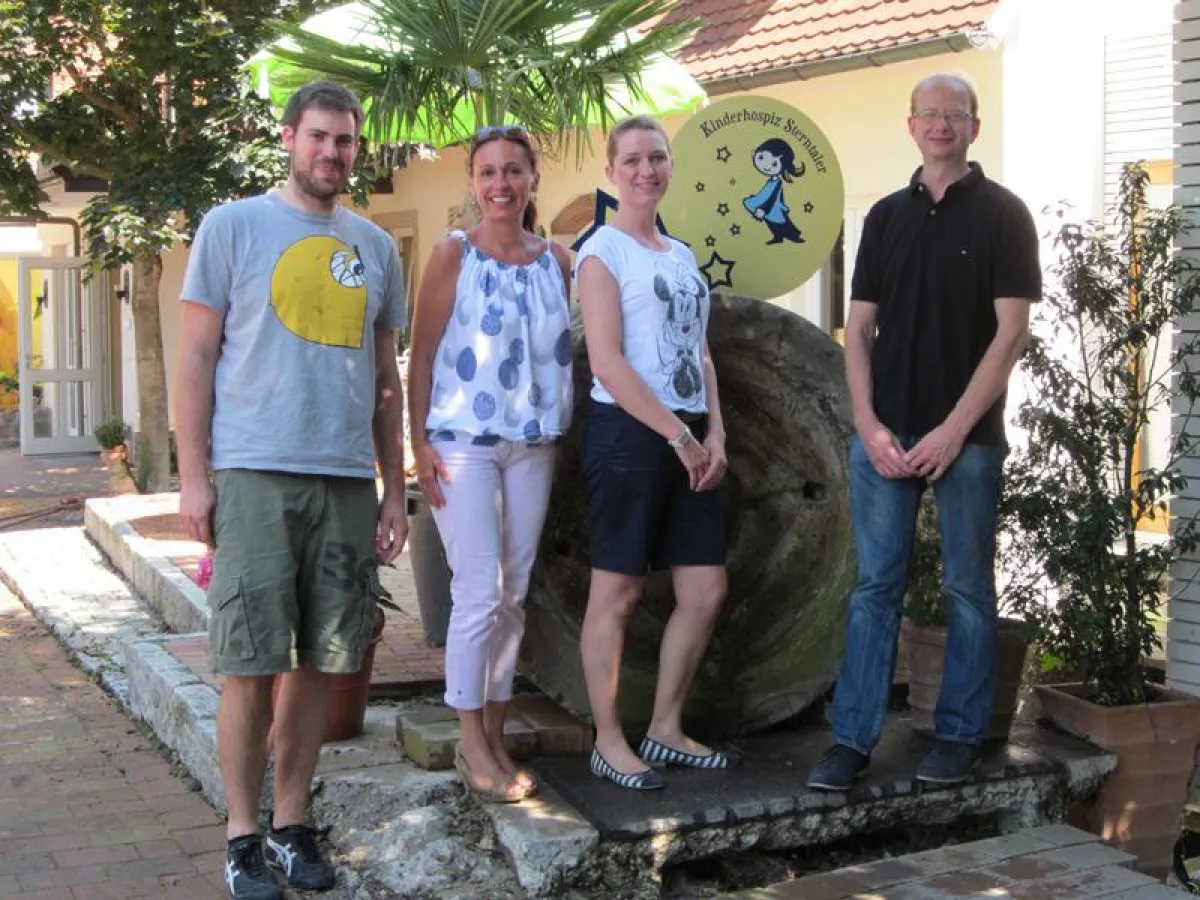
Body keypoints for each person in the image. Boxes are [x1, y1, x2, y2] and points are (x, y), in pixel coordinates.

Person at [176, 81, 408, 900]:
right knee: (251, 663)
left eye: (344, 141)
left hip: (344, 480)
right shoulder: (233, 227)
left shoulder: (376, 246)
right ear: (287, 138)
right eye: (318, 137)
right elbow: (197, 359)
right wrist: (194, 476)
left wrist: (391, 490)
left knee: (323, 662)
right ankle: (242, 838)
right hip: (254, 473)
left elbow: (385, 380)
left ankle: (292, 821)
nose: (331, 154)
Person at [806, 73, 1041, 791]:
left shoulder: (1004, 216)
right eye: (930, 115)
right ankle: (851, 741)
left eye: (955, 114)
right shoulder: (881, 218)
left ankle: (960, 737)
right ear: (911, 126)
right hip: (884, 437)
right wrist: (869, 424)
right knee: (875, 588)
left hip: (965, 441)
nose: (942, 125)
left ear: (975, 126)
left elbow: (1011, 336)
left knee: (969, 588)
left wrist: (952, 431)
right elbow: (859, 331)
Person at [407, 124, 573, 803]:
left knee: (513, 593)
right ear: (472, 183)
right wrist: (416, 445)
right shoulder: (452, 257)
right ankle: (470, 742)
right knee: (478, 589)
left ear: (533, 178)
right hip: (461, 444)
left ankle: (495, 735)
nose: (501, 184)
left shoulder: (558, 261)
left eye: (513, 170)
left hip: (532, 444)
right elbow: (420, 356)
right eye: (487, 172)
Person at [576, 114, 740, 791]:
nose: (647, 170)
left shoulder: (680, 257)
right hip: (631, 436)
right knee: (617, 591)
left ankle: (666, 728)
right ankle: (608, 740)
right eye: (633, 159)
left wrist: (716, 434)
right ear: (611, 172)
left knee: (706, 588)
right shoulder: (600, 252)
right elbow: (609, 362)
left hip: (692, 437)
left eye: (658, 158)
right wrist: (677, 436)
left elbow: (700, 352)